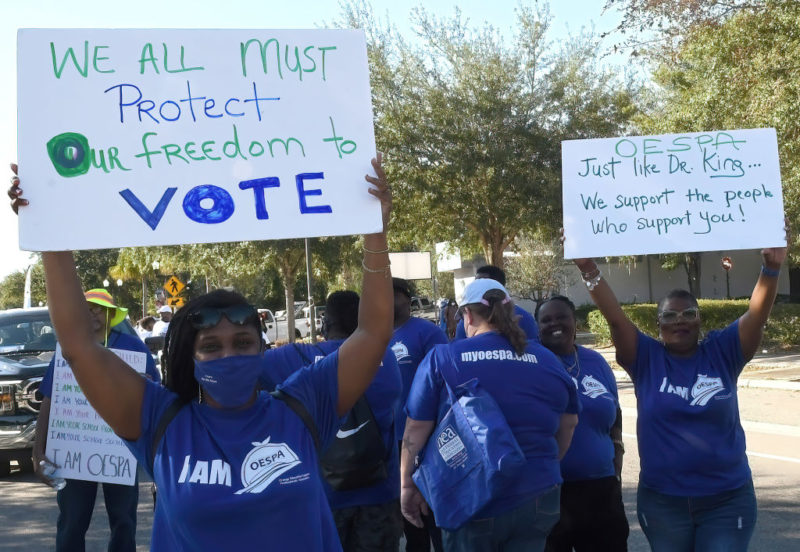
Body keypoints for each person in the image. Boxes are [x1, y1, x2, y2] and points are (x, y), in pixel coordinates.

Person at [10, 155, 393, 550]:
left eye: (243, 343)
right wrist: (49, 232)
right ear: (189, 359)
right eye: (211, 347)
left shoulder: (305, 406)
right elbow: (78, 346)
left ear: (263, 348)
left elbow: (374, 331)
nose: (229, 355)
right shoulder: (158, 419)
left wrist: (375, 231)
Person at [569, 233, 787, 552]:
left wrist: (771, 268)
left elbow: (756, 314)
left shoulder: (723, 351)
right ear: (658, 325)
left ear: (700, 320)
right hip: (663, 504)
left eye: (689, 314)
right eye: (670, 316)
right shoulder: (645, 358)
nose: (679, 321)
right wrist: (588, 267)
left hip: (726, 500)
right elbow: (616, 319)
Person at [401, 278, 580, 552]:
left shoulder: (444, 358)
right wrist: (543, 463)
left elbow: (415, 429)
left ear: (468, 315)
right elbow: (568, 423)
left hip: (471, 496)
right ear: (510, 312)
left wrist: (407, 485)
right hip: (538, 493)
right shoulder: (547, 359)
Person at [259, 290, 403, 551]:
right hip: (380, 495)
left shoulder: (294, 358)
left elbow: (245, 368)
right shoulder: (387, 358)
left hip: (322, 499)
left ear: (326, 322)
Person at [32, 289, 161, 552]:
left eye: (99, 309)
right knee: (72, 521)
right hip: (75, 452)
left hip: (122, 451)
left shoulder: (133, 348)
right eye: (87, 308)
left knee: (124, 520)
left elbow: (157, 395)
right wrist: (38, 449)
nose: (93, 313)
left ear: (111, 315)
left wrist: (145, 388)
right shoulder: (68, 350)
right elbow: (50, 398)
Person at [535, 295, 629, 552]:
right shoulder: (531, 363)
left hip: (601, 490)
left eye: (562, 317)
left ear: (574, 322)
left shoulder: (595, 362)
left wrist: (617, 458)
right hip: (549, 493)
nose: (555, 323)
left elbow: (615, 413)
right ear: (537, 327)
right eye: (546, 320)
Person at [390, 277, 448, 552]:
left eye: (393, 295)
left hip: (425, 439)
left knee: (432, 513)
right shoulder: (371, 335)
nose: (386, 302)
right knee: (408, 521)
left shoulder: (427, 333)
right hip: (389, 442)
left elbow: (444, 384)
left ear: (407, 299)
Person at [452, 265, 539, 342]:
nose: (476, 286)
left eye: (481, 283)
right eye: (475, 283)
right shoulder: (464, 319)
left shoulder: (525, 319)